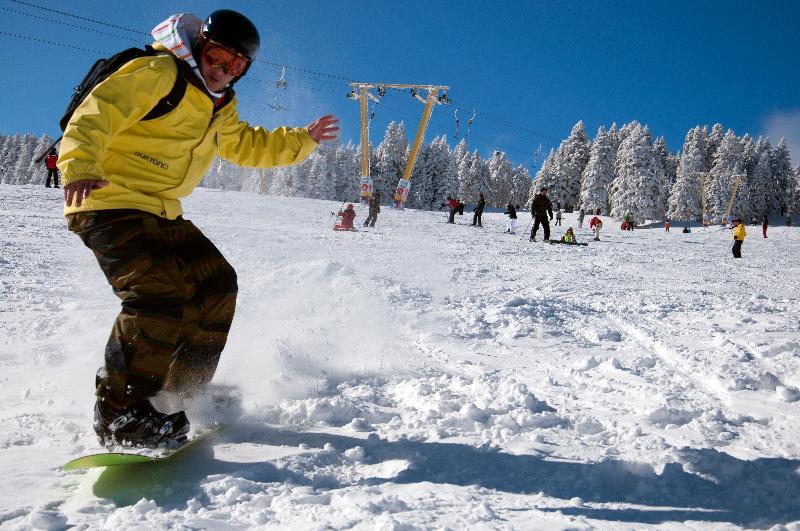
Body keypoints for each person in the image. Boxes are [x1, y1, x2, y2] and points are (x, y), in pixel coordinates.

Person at [58, 10, 339, 448]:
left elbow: (246, 144)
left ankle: (180, 390)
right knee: (157, 293)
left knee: (216, 284)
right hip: (106, 200)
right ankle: (120, 413)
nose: (222, 70)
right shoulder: (158, 72)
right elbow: (98, 112)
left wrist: (301, 140)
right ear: (199, 47)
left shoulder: (219, 103)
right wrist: (79, 164)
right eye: (216, 57)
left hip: (161, 209)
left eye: (235, 66)